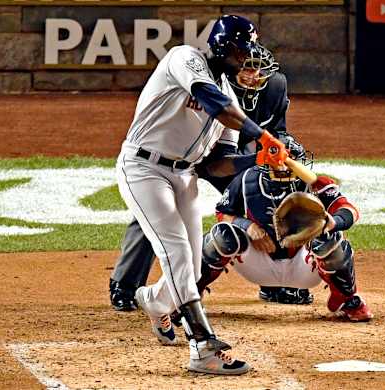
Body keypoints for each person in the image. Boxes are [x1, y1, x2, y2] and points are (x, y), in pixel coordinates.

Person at [115, 15, 287, 375]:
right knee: (175, 249)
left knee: (191, 269)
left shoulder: (228, 94)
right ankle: (203, 347)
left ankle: (152, 299)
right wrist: (262, 134)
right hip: (144, 169)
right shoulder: (185, 58)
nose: (247, 59)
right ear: (224, 47)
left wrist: (258, 159)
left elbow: (215, 164)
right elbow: (212, 102)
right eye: (242, 50)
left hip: (184, 176)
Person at [109, 44, 312, 313]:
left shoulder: (273, 87)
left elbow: (276, 134)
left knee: (267, 196)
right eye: (246, 64)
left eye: (257, 68)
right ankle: (126, 283)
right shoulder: (204, 76)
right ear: (230, 60)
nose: (252, 74)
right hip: (184, 151)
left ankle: (273, 278)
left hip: (232, 155)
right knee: (157, 209)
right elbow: (219, 115)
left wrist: (267, 165)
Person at [195, 133, 374, 323]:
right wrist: (247, 226)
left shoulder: (316, 184)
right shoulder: (246, 180)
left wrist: (334, 222)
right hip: (258, 264)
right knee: (222, 235)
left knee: (330, 238)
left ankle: (346, 299)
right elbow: (224, 214)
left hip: (303, 266)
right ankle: (192, 295)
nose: (287, 166)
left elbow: (350, 210)